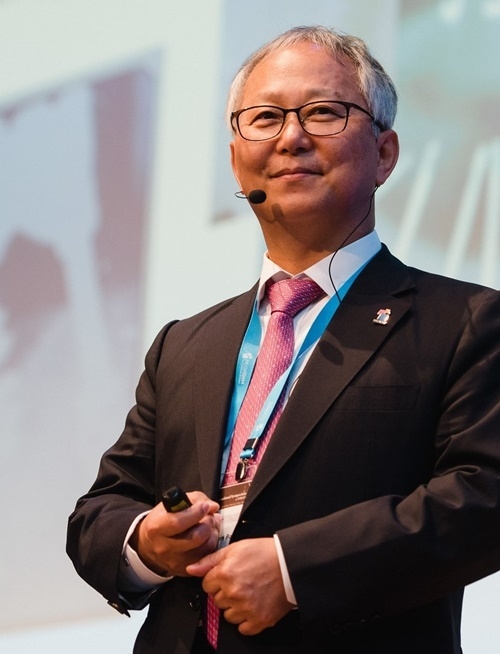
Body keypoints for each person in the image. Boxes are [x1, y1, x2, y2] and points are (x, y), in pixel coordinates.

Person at [67, 26, 500, 654]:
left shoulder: (464, 321)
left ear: (384, 154)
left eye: (323, 113)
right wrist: (146, 542)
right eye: (265, 118)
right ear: (236, 159)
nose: (290, 136)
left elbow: (484, 496)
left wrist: (297, 571)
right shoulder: (184, 345)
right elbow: (101, 511)